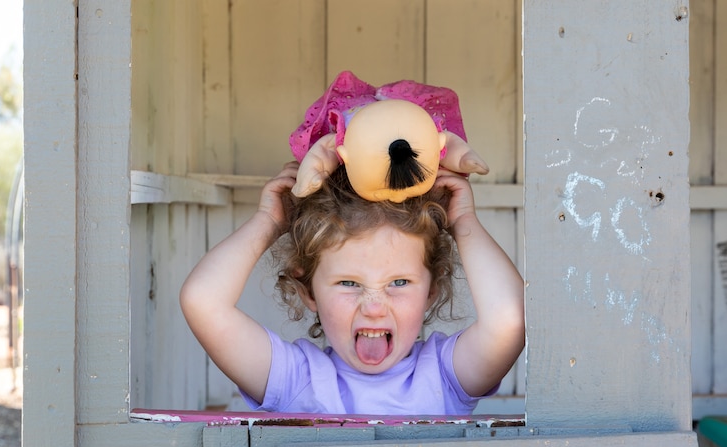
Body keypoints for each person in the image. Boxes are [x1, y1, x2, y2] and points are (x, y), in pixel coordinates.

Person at [180, 161, 525, 415]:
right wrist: (268, 222)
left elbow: (510, 320)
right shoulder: (297, 380)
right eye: (349, 283)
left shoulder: (444, 374)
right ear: (309, 293)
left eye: (399, 283)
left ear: (431, 291)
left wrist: (464, 221)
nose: (373, 306)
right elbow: (203, 302)